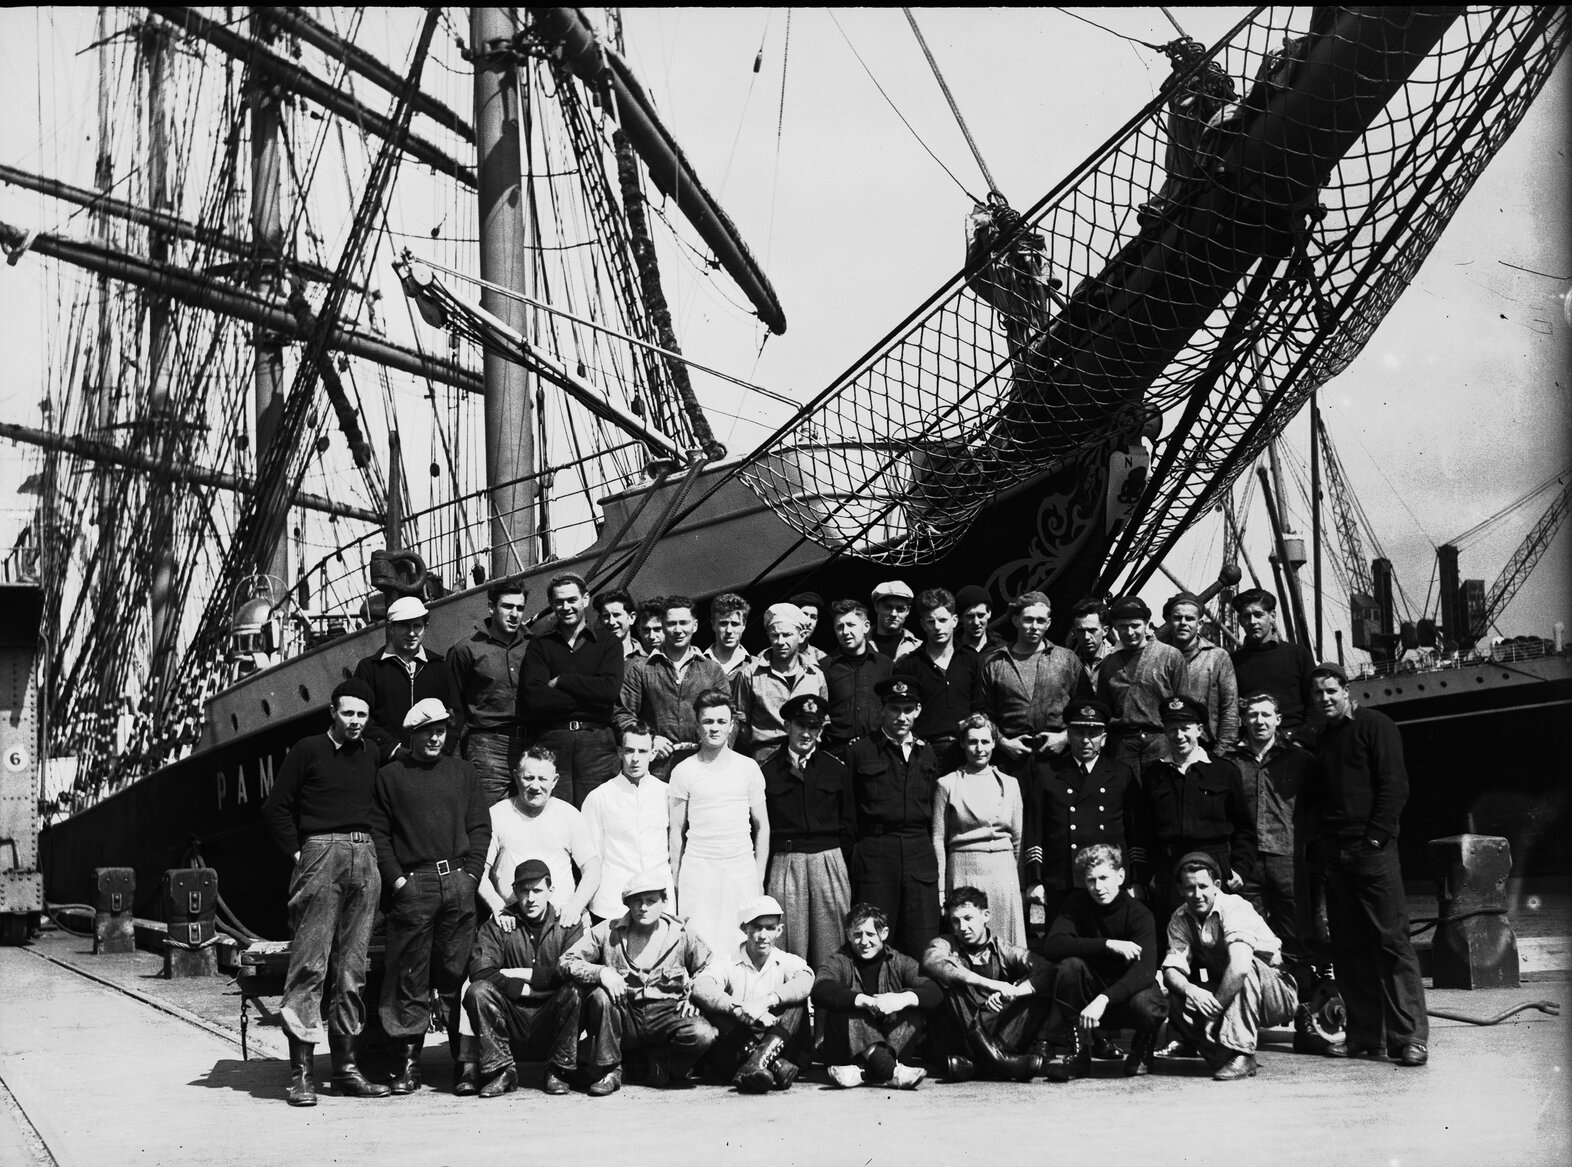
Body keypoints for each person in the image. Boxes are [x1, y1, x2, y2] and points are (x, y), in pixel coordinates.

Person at [261, 678, 390, 1106]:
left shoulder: (372, 752)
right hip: (321, 853)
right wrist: (300, 855)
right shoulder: (307, 749)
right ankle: (301, 1075)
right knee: (310, 966)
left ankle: (347, 1070)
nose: (355, 722)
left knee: (353, 970)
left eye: (362, 715)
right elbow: (277, 806)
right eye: (348, 713)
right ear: (332, 713)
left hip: (364, 854)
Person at [1306, 662, 1428, 1066]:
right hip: (1336, 853)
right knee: (1349, 948)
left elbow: (1395, 786)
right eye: (1318, 694)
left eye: (1331, 691)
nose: (1324, 699)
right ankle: (1363, 1035)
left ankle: (1409, 1038)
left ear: (1346, 691)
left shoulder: (1376, 725)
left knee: (1391, 943)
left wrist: (1375, 836)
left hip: (1372, 851)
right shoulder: (1322, 739)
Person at [368, 698, 491, 1095]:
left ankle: (464, 1064)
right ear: (413, 734)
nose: (436, 737)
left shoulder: (464, 772)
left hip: (458, 880)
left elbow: (480, 827)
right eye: (427, 731)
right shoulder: (391, 776)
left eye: (441, 729)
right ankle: (409, 1065)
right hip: (414, 885)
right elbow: (379, 835)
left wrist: (472, 874)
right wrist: (397, 881)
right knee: (409, 975)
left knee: (457, 974)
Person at [562, 867, 718, 1094]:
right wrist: (601, 973)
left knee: (703, 1034)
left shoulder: (682, 933)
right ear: (627, 903)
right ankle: (610, 1070)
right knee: (600, 996)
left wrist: (695, 994)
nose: (643, 907)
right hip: (624, 1015)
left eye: (651, 900)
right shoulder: (608, 931)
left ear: (664, 901)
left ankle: (660, 1063)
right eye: (637, 901)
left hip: (668, 1014)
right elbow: (567, 960)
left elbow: (709, 966)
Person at [1160, 853, 1297, 1081]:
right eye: (1189, 888)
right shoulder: (1180, 917)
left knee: (1245, 966)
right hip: (1232, 994)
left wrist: (1215, 1009)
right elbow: (1172, 969)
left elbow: (1240, 967)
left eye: (1203, 886)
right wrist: (1191, 990)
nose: (1197, 894)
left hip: (1274, 994)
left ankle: (1243, 1052)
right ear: (1180, 890)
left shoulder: (1235, 907)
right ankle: (1225, 1056)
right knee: (1178, 998)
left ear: (1216, 885)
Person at [460, 859, 585, 1098]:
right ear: (515, 891)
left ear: (551, 890)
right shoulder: (499, 925)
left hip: (552, 1017)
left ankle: (558, 1070)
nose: (530, 898)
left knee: (576, 990)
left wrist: (518, 975)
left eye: (537, 890)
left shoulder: (567, 924)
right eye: (524, 891)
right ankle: (502, 1071)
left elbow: (572, 970)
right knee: (478, 991)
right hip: (512, 1016)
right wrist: (524, 990)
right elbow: (481, 972)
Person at [1040, 844, 1165, 1081]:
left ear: (1120, 876)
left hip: (1125, 997)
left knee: (1149, 1004)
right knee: (1069, 967)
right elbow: (1053, 945)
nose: (1098, 887)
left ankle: (1142, 1050)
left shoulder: (1139, 914)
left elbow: (1145, 973)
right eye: (1090, 880)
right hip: (1089, 999)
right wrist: (1107, 944)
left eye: (1104, 878)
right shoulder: (1076, 903)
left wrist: (1104, 999)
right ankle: (1079, 1054)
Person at [1024, 699, 1150, 928]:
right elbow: (1034, 830)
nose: (1085, 740)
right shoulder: (1048, 774)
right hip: (1062, 881)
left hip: (1109, 882)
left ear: (1104, 738)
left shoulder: (1121, 775)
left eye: (1093, 733)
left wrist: (1137, 878)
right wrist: (1035, 879)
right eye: (1078, 732)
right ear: (1068, 735)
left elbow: (1136, 832)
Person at [846, 677, 943, 957]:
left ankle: (919, 999)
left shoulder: (928, 753)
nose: (902, 717)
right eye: (895, 709)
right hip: (876, 851)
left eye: (908, 709)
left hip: (918, 851)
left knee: (922, 938)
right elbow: (850, 814)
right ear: (883, 710)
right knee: (873, 937)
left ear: (918, 710)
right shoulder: (860, 751)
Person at [668, 690, 770, 956]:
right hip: (698, 869)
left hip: (740, 868)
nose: (714, 728)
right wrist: (677, 878)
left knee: (738, 943)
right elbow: (676, 832)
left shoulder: (748, 768)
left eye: (721, 722)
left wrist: (758, 876)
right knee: (699, 942)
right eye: (708, 721)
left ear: (731, 726)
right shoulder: (683, 771)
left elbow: (763, 827)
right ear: (697, 725)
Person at [1229, 692, 1317, 994]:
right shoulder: (1230, 763)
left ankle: (1304, 1010)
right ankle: (1258, 1006)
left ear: (1278, 720)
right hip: (1246, 863)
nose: (1259, 721)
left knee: (1297, 937)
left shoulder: (1301, 760)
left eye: (1266, 715)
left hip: (1288, 859)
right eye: (1252, 714)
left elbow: (1315, 809)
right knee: (1248, 939)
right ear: (1243, 720)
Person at [761, 694, 855, 970]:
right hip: (787, 862)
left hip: (828, 860)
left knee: (833, 944)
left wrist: (835, 861)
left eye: (813, 727)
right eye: (800, 725)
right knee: (788, 945)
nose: (806, 733)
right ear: (787, 726)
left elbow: (849, 823)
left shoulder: (835, 769)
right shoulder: (768, 772)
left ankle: (831, 1007)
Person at [1146, 696, 1257, 927]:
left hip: (1215, 866)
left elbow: (1244, 828)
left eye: (1185, 729)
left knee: (1219, 937)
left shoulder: (1223, 771)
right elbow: (1144, 830)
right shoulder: (1154, 774)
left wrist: (1240, 869)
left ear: (1199, 730)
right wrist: (1151, 873)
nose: (1179, 736)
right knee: (1175, 937)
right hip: (1171, 869)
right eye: (1172, 729)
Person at [920, 887, 1052, 1081]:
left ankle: (977, 1067)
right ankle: (997, 1062)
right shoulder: (944, 943)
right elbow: (932, 961)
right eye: (955, 921)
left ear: (986, 915)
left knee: (1037, 990)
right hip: (957, 1035)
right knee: (948, 981)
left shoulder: (1003, 949)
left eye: (968, 918)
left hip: (996, 1034)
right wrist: (992, 984)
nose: (962, 927)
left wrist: (1014, 992)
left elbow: (1048, 970)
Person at [518, 572, 624, 807]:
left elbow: (608, 691)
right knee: (554, 818)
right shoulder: (540, 645)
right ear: (551, 604)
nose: (566, 607)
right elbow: (533, 698)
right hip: (553, 744)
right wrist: (589, 701)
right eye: (559, 601)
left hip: (597, 746)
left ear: (585, 600)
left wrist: (562, 681)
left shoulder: (608, 643)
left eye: (572, 600)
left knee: (598, 817)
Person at [691, 895, 814, 1092]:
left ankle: (756, 1064)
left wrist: (766, 1002)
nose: (763, 935)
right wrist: (738, 1009)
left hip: (779, 1041)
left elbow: (806, 981)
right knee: (713, 1006)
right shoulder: (728, 961)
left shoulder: (786, 960)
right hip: (736, 1050)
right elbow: (701, 986)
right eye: (756, 927)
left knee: (796, 1001)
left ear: (779, 931)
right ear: (744, 929)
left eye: (770, 928)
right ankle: (772, 1065)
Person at [812, 902, 939, 1089]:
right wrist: (863, 1000)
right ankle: (891, 1072)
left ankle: (863, 1072)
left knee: (914, 1006)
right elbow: (820, 989)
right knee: (850, 1006)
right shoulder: (838, 960)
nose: (864, 942)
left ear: (884, 933)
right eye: (857, 935)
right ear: (848, 934)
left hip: (892, 1046)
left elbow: (934, 991)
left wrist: (900, 999)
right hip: (843, 1050)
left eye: (870, 934)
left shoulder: (899, 961)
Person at [477, 746, 601, 927]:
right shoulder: (497, 815)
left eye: (542, 779)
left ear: (555, 780)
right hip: (512, 922)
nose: (535, 786)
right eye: (528, 777)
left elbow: (592, 869)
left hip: (561, 922)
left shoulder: (569, 815)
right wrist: (498, 907)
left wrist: (575, 907)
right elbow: (478, 870)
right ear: (516, 776)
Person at [931, 714, 1025, 948]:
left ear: (994, 743)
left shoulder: (1010, 784)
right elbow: (938, 839)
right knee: (967, 939)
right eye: (973, 742)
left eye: (985, 742)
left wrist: (1018, 884)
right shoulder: (947, 784)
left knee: (1005, 943)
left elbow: (1018, 839)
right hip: (964, 869)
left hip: (1002, 873)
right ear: (962, 744)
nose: (979, 749)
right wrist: (942, 888)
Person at [616, 594, 726, 780]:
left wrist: (716, 745)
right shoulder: (641, 669)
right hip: (657, 768)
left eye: (684, 623)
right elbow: (623, 714)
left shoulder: (712, 669)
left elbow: (731, 715)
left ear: (695, 625)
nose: (678, 630)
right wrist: (649, 740)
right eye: (671, 623)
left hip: (704, 765)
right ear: (664, 626)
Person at [978, 590, 1081, 784]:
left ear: (1048, 624)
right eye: (1028, 620)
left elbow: (1083, 707)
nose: (1034, 627)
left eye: (1041, 621)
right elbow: (984, 713)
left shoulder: (1067, 660)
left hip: (1058, 758)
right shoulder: (995, 662)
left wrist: (1065, 738)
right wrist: (1002, 742)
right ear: (1016, 620)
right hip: (1011, 760)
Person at [448, 578, 529, 805]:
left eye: (520, 608)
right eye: (507, 606)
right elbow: (454, 710)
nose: (514, 614)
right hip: (486, 748)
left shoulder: (533, 646)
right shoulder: (465, 650)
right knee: (488, 819)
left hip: (529, 745)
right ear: (491, 607)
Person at [354, 595, 463, 762]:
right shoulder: (370, 668)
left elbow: (454, 714)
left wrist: (441, 750)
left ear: (425, 627)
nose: (412, 633)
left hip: (431, 762)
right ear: (391, 628)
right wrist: (393, 749)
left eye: (417, 626)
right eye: (404, 626)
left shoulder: (439, 667)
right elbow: (362, 718)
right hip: (385, 763)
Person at [581, 725, 672, 924]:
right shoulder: (599, 797)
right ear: (620, 752)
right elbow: (592, 859)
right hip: (613, 905)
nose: (635, 758)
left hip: (659, 902)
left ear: (653, 753)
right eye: (630, 750)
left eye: (642, 751)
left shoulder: (667, 794)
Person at [1096, 596, 1186, 785]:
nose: (1129, 632)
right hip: (1122, 747)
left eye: (1135, 625)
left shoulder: (1170, 656)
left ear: (1146, 624)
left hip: (1161, 743)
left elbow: (1183, 709)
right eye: (1122, 626)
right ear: (1114, 627)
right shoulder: (1108, 664)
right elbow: (1102, 712)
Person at [893, 587, 985, 771]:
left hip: (965, 750)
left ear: (954, 620)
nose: (937, 627)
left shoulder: (971, 659)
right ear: (922, 624)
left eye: (943, 620)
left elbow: (980, 707)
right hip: (924, 752)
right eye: (931, 621)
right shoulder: (909, 665)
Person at [731, 602, 827, 764]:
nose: (780, 641)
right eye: (775, 635)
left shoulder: (815, 675)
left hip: (806, 757)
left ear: (801, 636)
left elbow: (824, 719)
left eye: (787, 635)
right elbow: (742, 723)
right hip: (766, 757)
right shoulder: (751, 674)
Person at [1229, 589, 1315, 739]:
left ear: (1272, 616)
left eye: (1258, 615)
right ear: (1241, 621)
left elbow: (1315, 706)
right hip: (1253, 744)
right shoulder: (1233, 662)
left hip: (1294, 742)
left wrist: (1301, 742)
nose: (1253, 622)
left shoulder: (1297, 655)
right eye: (1247, 616)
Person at [1163, 591, 1239, 750]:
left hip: (1207, 746)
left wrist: (1222, 752)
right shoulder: (1157, 656)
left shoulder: (1217, 657)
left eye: (1190, 618)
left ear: (1200, 623)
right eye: (1177, 618)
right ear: (1169, 621)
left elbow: (1229, 709)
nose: (1183, 623)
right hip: (1164, 746)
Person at [822, 599, 893, 758]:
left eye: (851, 625)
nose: (845, 632)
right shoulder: (824, 667)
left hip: (878, 751)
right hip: (837, 753)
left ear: (866, 626)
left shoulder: (885, 666)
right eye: (840, 627)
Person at [1065, 597, 1112, 697]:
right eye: (1081, 631)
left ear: (1105, 631)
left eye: (1092, 631)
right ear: (1074, 632)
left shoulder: (1118, 661)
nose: (1086, 637)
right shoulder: (1065, 663)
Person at [703, 592, 754, 679]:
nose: (729, 630)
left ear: (744, 625)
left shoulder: (755, 666)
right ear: (713, 624)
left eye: (734, 624)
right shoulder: (696, 665)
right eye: (723, 623)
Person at [869, 580, 922, 661]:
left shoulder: (919, 648)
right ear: (876, 607)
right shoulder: (860, 643)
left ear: (908, 611)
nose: (893, 614)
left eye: (900, 609)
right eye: (888, 607)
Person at [954, 583, 1009, 659]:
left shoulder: (1002, 650)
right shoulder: (949, 650)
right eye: (970, 616)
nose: (976, 622)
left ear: (989, 613)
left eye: (981, 615)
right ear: (959, 618)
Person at [593, 587, 640, 660]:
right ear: (600, 620)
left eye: (617, 615)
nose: (611, 622)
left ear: (631, 618)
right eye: (606, 616)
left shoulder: (649, 662)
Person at [788, 591, 829, 667]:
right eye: (804, 614)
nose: (808, 622)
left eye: (813, 617)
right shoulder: (771, 655)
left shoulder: (822, 659)